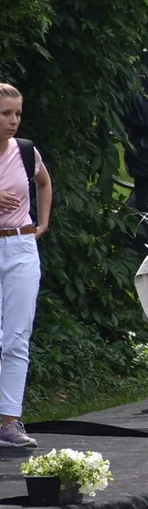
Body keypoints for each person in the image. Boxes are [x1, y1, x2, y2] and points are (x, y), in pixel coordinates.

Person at [0, 83, 51, 446]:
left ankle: (9, 421)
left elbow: (45, 183)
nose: (14, 120)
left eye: (18, 113)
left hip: (20, 245)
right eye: (6, 113)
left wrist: (42, 223)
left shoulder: (25, 151)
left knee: (17, 336)